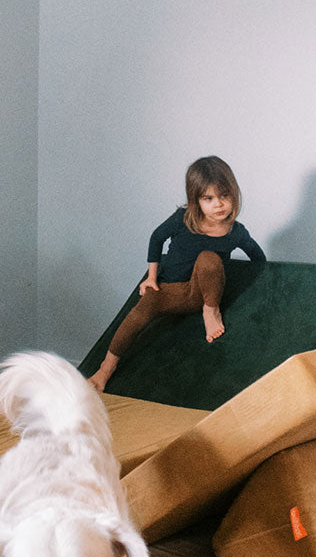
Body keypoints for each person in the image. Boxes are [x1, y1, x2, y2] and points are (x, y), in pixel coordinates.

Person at [88, 155, 266, 393]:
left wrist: (262, 288)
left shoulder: (236, 232)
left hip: (202, 293)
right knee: (139, 312)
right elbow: (156, 237)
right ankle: (105, 369)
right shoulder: (183, 220)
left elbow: (259, 259)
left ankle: (210, 310)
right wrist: (151, 277)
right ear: (196, 200)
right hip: (171, 290)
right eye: (209, 198)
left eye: (225, 196)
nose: (219, 204)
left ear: (234, 194)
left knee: (209, 258)